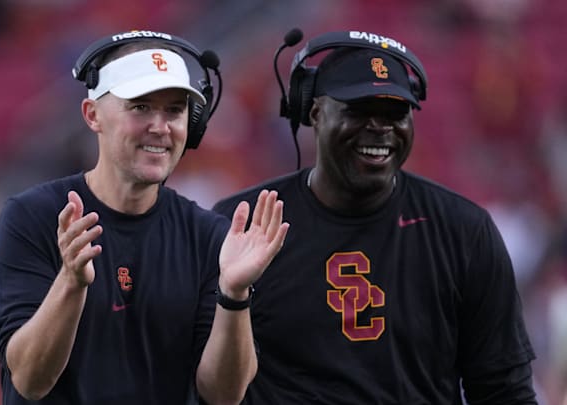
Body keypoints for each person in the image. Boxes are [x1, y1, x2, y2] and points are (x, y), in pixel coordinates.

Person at [212, 29, 537, 404]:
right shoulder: (243, 226)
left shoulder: (463, 231)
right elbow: (209, 388)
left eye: (395, 113)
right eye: (359, 111)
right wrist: (232, 295)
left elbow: (504, 391)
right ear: (314, 112)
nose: (380, 128)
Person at [0, 30, 289, 405]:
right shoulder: (33, 217)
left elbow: (223, 395)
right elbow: (30, 381)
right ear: (92, 115)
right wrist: (71, 282)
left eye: (175, 110)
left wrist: (234, 294)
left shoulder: (210, 235)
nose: (160, 127)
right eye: (141, 106)